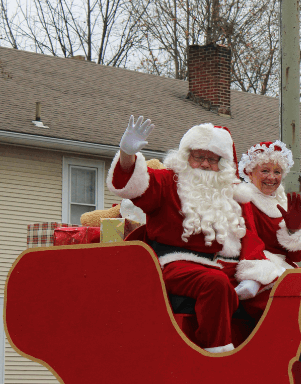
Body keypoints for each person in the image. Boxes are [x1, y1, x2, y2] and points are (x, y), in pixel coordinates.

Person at [108, 117, 280, 352]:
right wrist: (127, 155)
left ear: (223, 163)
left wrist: (255, 278)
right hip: (177, 264)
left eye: (213, 159)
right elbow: (133, 186)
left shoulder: (232, 194)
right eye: (199, 157)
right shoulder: (169, 182)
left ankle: (279, 351)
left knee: (280, 289)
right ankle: (218, 352)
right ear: (186, 157)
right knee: (216, 284)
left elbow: (249, 237)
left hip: (225, 267)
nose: (206, 165)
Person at [234, 141, 301, 299]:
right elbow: (247, 242)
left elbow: (297, 257)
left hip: (284, 270)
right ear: (250, 173)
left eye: (277, 172)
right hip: (257, 271)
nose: (271, 177)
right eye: (265, 171)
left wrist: (294, 230)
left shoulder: (283, 204)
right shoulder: (243, 200)